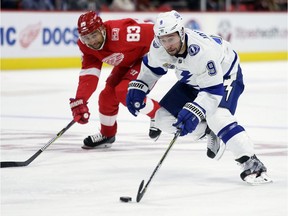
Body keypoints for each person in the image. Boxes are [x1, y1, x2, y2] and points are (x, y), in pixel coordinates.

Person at [126, 10, 272, 185]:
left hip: (224, 76)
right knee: (162, 119)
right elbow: (151, 69)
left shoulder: (203, 51)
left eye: (171, 39)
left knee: (217, 116)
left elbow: (212, 91)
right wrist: (140, 86)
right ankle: (208, 131)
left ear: (181, 33)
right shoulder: (158, 46)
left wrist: (196, 110)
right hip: (192, 79)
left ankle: (251, 162)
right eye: (163, 40)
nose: (167, 44)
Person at [70, 11, 161, 149]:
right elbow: (89, 73)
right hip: (127, 62)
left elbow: (155, 32)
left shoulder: (122, 32)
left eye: (94, 35)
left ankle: (159, 114)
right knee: (106, 96)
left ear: (102, 29)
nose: (92, 41)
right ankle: (107, 135)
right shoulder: (85, 46)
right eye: (87, 38)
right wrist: (80, 100)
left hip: (147, 57)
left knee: (124, 91)